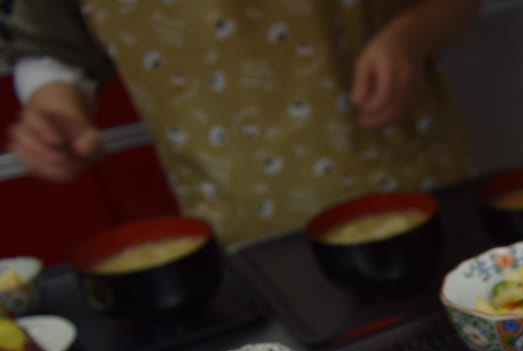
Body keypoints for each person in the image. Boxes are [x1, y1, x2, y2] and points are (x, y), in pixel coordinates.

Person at [1, 0, 479, 246]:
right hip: (234, 215)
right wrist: (57, 110)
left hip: (403, 176)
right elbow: (50, 40)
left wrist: (408, 40)